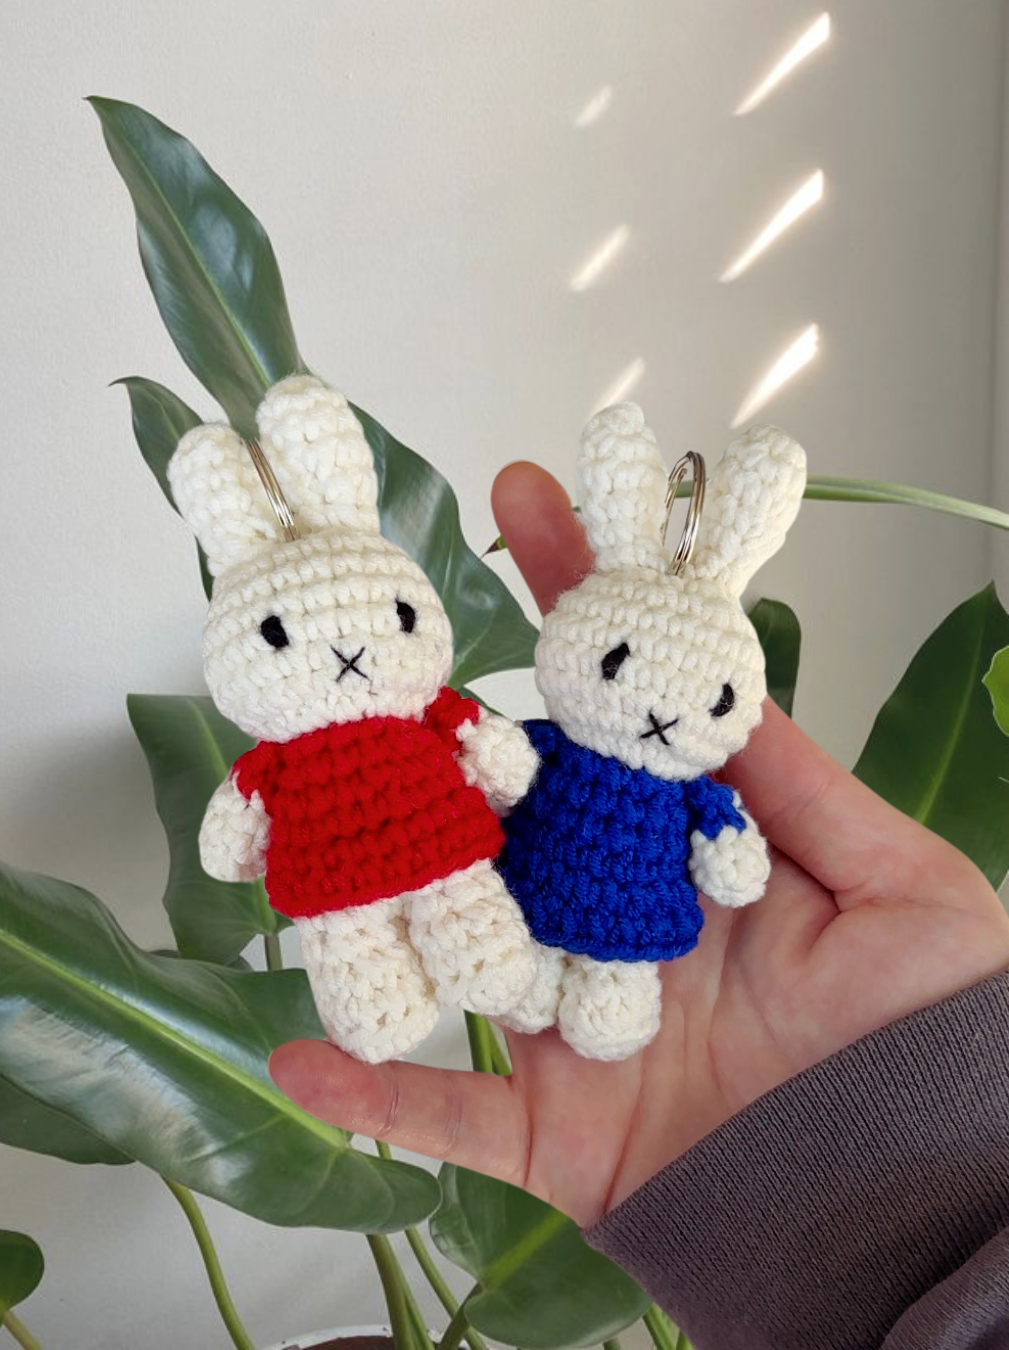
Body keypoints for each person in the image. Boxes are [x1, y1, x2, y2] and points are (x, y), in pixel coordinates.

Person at [269, 461, 1009, 1350]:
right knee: (513, 966)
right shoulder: (561, 748)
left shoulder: (685, 788)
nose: (661, 718)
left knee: (605, 997)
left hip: (628, 938)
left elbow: (718, 830)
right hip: (532, 903)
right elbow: (511, 763)